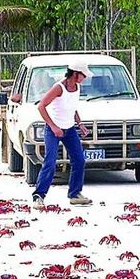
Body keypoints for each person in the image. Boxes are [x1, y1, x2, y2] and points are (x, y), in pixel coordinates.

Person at [32, 61, 93, 207]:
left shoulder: (77, 87)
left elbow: (73, 108)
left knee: (79, 160)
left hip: (69, 129)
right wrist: (53, 126)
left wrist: (80, 124)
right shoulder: (59, 88)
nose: (84, 79)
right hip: (53, 130)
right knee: (50, 162)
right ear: (76, 74)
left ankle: (75, 193)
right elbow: (41, 106)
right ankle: (38, 195)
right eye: (83, 76)